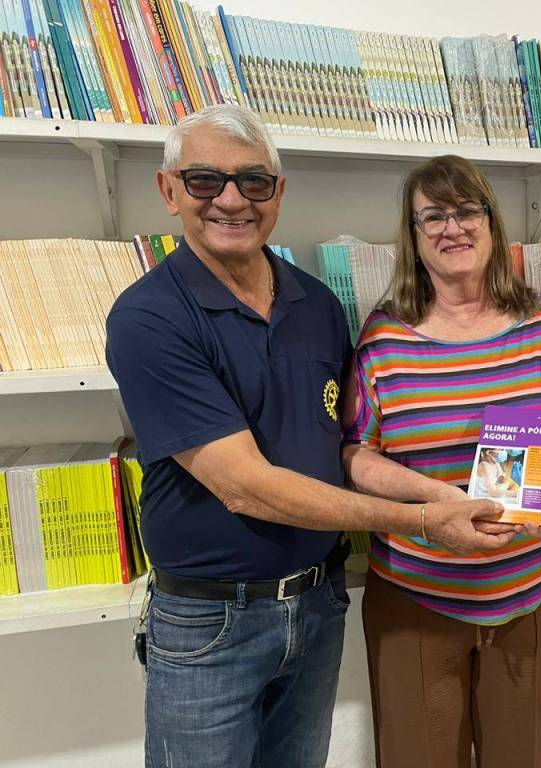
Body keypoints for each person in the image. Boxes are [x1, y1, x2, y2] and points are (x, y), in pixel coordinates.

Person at [105, 105, 512, 768]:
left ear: (278, 192)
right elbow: (245, 487)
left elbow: (348, 445)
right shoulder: (149, 318)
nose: (231, 200)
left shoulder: (317, 304)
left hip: (318, 604)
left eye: (253, 181)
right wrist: (423, 519)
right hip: (212, 621)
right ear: (169, 190)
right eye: (205, 180)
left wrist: (450, 489)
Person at [342, 155, 541, 768]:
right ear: (413, 235)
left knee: (522, 757)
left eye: (468, 211)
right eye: (433, 216)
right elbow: (357, 453)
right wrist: (437, 501)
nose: (453, 227)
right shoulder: (383, 337)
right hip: (416, 595)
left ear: (491, 222)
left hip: (533, 591)